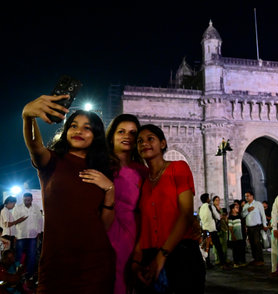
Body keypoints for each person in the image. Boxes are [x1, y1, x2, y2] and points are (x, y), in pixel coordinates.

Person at [22, 95, 115, 293]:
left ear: (96, 135)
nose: (79, 131)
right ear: (66, 131)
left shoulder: (103, 171)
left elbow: (104, 226)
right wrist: (28, 117)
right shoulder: (51, 161)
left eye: (87, 127)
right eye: (73, 125)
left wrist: (110, 189)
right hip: (56, 265)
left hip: (96, 266)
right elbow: (34, 145)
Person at [131, 124, 205, 293]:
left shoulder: (178, 168)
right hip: (149, 256)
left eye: (150, 139)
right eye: (140, 141)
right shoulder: (142, 182)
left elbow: (186, 213)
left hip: (181, 254)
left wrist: (161, 256)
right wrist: (137, 260)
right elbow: (143, 223)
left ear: (163, 143)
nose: (144, 144)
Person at [105, 114, 146, 294]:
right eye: (121, 131)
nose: (126, 136)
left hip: (132, 238)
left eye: (132, 133)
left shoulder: (143, 171)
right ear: (112, 135)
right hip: (102, 234)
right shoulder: (98, 165)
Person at [11, 193, 43, 282]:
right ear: (23, 199)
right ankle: (17, 274)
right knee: (19, 255)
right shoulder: (17, 208)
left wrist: (39, 232)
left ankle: (29, 274)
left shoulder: (36, 207)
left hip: (33, 235)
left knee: (32, 255)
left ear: (32, 199)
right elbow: (13, 221)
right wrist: (14, 235)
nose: (27, 202)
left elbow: (40, 220)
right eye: (25, 200)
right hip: (20, 235)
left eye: (28, 200)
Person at [198, 193, 227, 269]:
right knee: (218, 246)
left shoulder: (200, 208)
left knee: (207, 248)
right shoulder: (210, 206)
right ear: (207, 199)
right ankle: (223, 263)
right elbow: (217, 216)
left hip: (205, 230)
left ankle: (208, 264)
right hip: (212, 229)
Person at [242, 191, 268, 266]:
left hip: (256, 226)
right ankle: (255, 258)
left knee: (257, 243)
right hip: (249, 227)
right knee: (252, 243)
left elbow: (263, 215)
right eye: (246, 196)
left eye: (248, 196)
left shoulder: (258, 204)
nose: (247, 197)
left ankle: (260, 259)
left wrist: (265, 225)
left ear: (252, 196)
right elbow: (243, 215)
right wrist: (248, 210)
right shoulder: (246, 206)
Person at [228, 203, 246, 268]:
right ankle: (235, 262)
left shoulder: (239, 216)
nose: (238, 209)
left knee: (239, 249)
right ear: (233, 209)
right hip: (234, 236)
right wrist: (232, 235)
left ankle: (240, 262)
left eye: (238, 207)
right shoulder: (230, 217)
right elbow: (230, 227)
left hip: (240, 236)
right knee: (235, 250)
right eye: (236, 207)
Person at [212, 196, 228, 264]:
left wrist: (224, 217)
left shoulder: (221, 209)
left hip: (223, 227)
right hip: (216, 228)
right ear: (213, 201)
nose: (218, 201)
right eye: (216, 200)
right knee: (216, 245)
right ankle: (217, 259)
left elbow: (224, 218)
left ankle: (224, 258)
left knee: (224, 244)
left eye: (218, 200)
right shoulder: (212, 209)